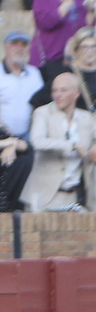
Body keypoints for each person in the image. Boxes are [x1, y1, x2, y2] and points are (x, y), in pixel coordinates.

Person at [23, 71, 96, 211]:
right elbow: (37, 141)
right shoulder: (43, 112)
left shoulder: (86, 118)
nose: (57, 94)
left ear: (76, 93)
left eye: (63, 90)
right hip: (45, 195)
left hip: (75, 195)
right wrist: (72, 145)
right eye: (54, 90)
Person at [0, 30, 43, 139]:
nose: (19, 48)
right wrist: (4, 134)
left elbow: (41, 105)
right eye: (15, 44)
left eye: (24, 45)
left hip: (29, 135)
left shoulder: (34, 73)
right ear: (5, 47)